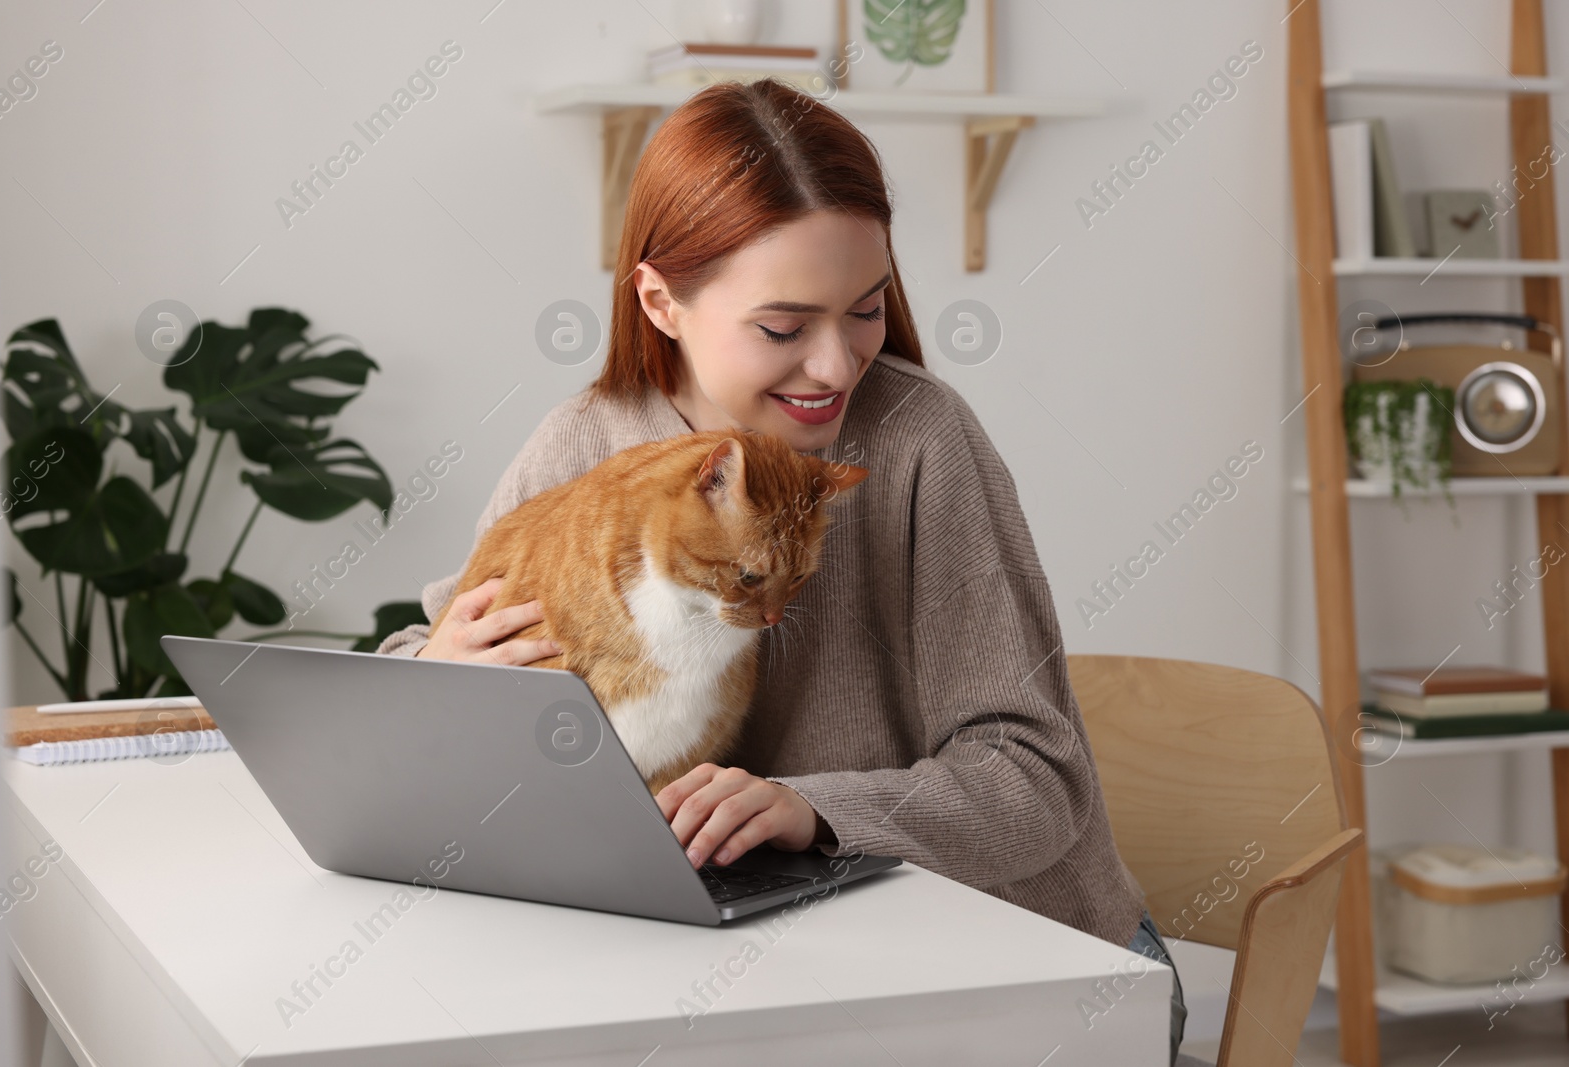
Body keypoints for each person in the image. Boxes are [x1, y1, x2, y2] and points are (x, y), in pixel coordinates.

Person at [377, 78, 1185, 1061]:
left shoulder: (920, 441)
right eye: (782, 327)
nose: (837, 366)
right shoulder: (585, 442)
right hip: (754, 968)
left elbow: (1037, 781)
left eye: (866, 310)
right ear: (660, 300)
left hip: (1028, 971)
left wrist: (818, 809)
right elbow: (431, 653)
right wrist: (438, 675)